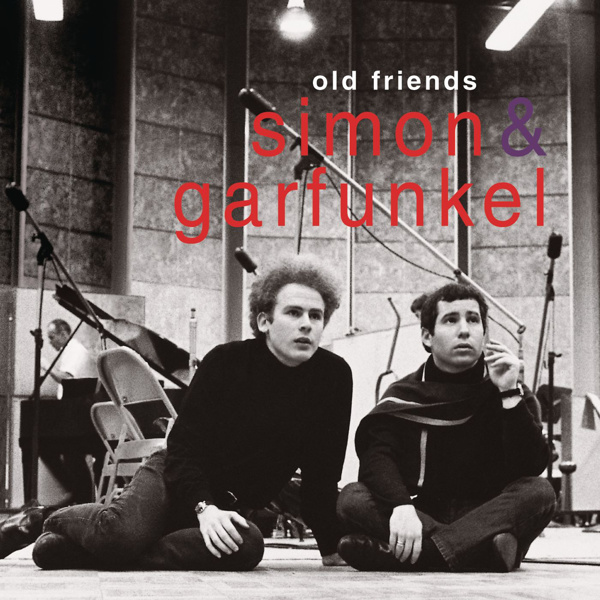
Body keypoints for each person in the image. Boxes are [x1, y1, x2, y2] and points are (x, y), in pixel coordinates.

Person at [32, 255, 353, 571]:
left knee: (248, 545)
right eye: (294, 312)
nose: (307, 324)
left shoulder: (334, 378)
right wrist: (204, 507)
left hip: (226, 506)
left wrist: (331, 548)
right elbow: (183, 448)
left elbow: (321, 476)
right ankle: (43, 518)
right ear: (263, 322)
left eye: (316, 316)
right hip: (173, 479)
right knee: (122, 535)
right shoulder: (226, 362)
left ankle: (86, 552)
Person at [337, 282, 555, 572]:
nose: (464, 330)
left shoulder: (510, 388)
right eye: (451, 320)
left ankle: (426, 555)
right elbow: (377, 458)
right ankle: (480, 552)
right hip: (424, 513)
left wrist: (508, 393)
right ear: (427, 336)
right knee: (352, 498)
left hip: (490, 512)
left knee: (540, 492)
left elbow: (531, 466)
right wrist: (401, 507)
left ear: (484, 333)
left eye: (473, 320)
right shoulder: (404, 393)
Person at [35, 319, 100, 504]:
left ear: (64, 333)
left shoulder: (75, 350)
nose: (50, 342)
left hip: (80, 413)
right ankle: (78, 494)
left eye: (52, 337)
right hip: (73, 412)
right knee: (61, 451)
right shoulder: (68, 351)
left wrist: (46, 366)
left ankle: (78, 494)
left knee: (66, 451)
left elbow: (67, 378)